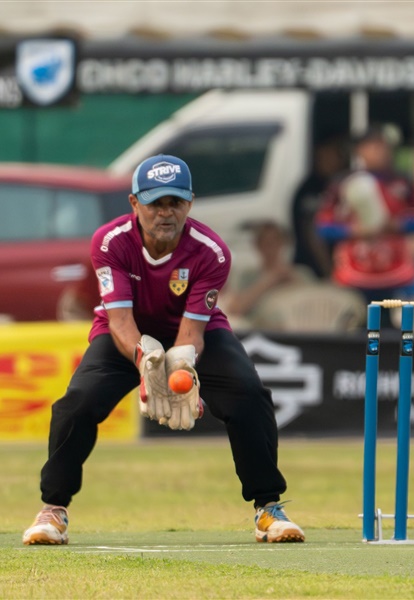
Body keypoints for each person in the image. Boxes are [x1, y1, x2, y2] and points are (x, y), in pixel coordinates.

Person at [23, 155, 305, 546]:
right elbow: (120, 322)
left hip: (190, 334)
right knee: (77, 403)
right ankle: (53, 509)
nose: (165, 213)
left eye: (175, 203)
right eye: (155, 203)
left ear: (190, 202)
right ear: (134, 203)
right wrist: (146, 361)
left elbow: (192, 330)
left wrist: (183, 366)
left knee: (249, 395)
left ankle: (268, 508)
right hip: (125, 335)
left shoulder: (212, 251)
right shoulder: (110, 241)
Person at [314, 126, 414, 303]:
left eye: (383, 146)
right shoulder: (343, 184)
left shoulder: (402, 182)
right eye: (373, 146)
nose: (379, 151)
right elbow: (324, 227)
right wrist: (355, 231)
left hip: (398, 272)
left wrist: (397, 225)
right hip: (354, 272)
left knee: (397, 323)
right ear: (359, 150)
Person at [218, 220, 316, 328]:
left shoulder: (301, 272)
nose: (271, 248)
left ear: (283, 244)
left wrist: (292, 279)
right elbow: (235, 308)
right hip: (261, 329)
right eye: (266, 243)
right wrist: (269, 280)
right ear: (257, 245)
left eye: (275, 242)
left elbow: (316, 302)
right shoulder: (248, 275)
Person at [291, 137, 347, 278]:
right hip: (313, 268)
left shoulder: (345, 184)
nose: (328, 161)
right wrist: (328, 271)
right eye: (323, 157)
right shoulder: (309, 189)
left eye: (331, 156)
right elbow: (312, 232)